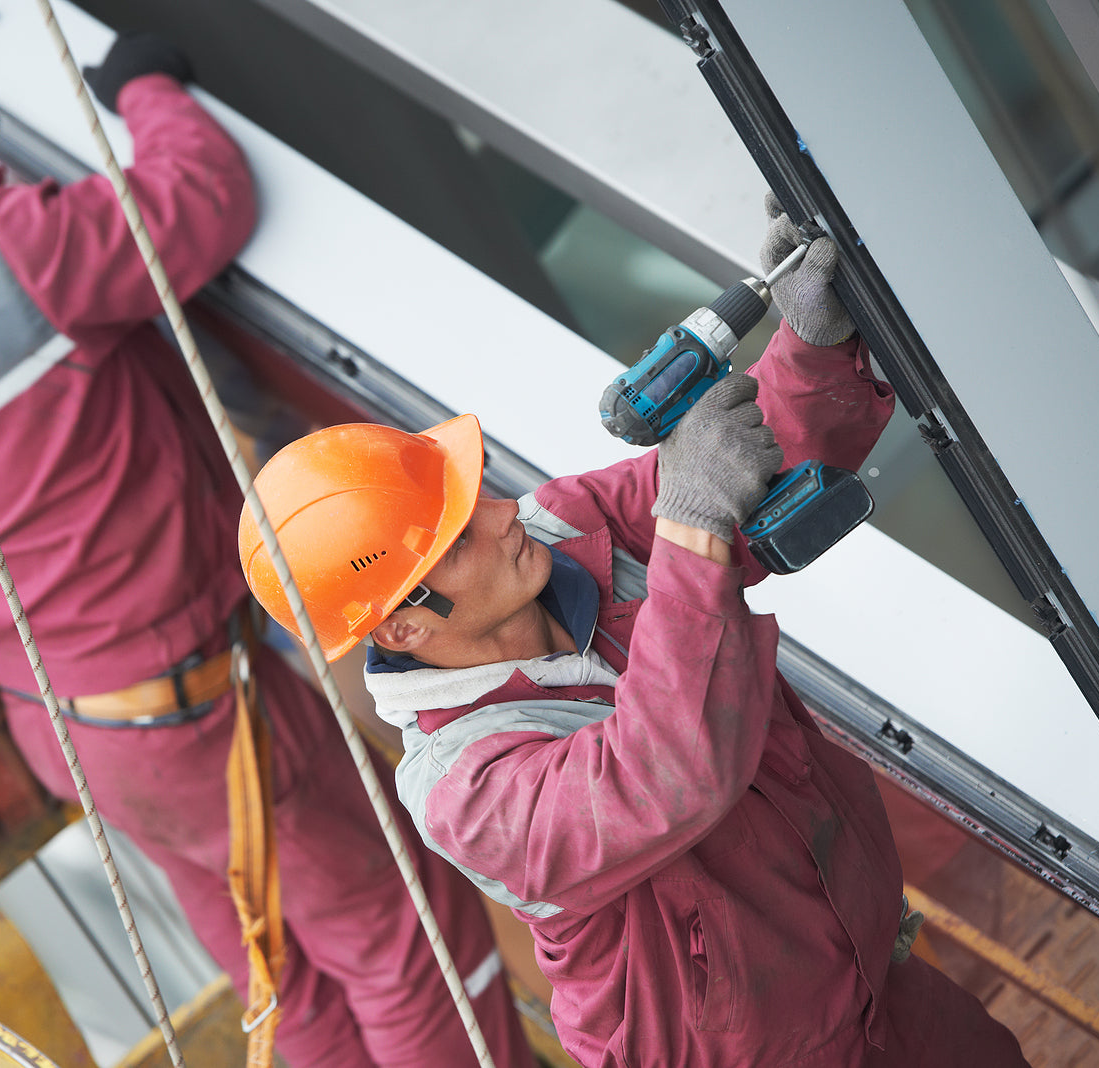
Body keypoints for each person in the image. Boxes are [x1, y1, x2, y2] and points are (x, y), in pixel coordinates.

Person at [0, 14, 534, 1068]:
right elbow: (203, 198)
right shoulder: (5, 256)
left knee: (288, 982)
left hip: (75, 734)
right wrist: (146, 85)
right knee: (412, 949)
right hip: (196, 719)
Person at [240, 198, 1033, 1066]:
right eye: (462, 536)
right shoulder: (463, 793)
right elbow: (668, 772)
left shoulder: (557, 534)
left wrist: (808, 340)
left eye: (474, 497)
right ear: (401, 621)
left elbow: (741, 472)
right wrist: (693, 523)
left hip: (870, 983)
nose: (508, 516)